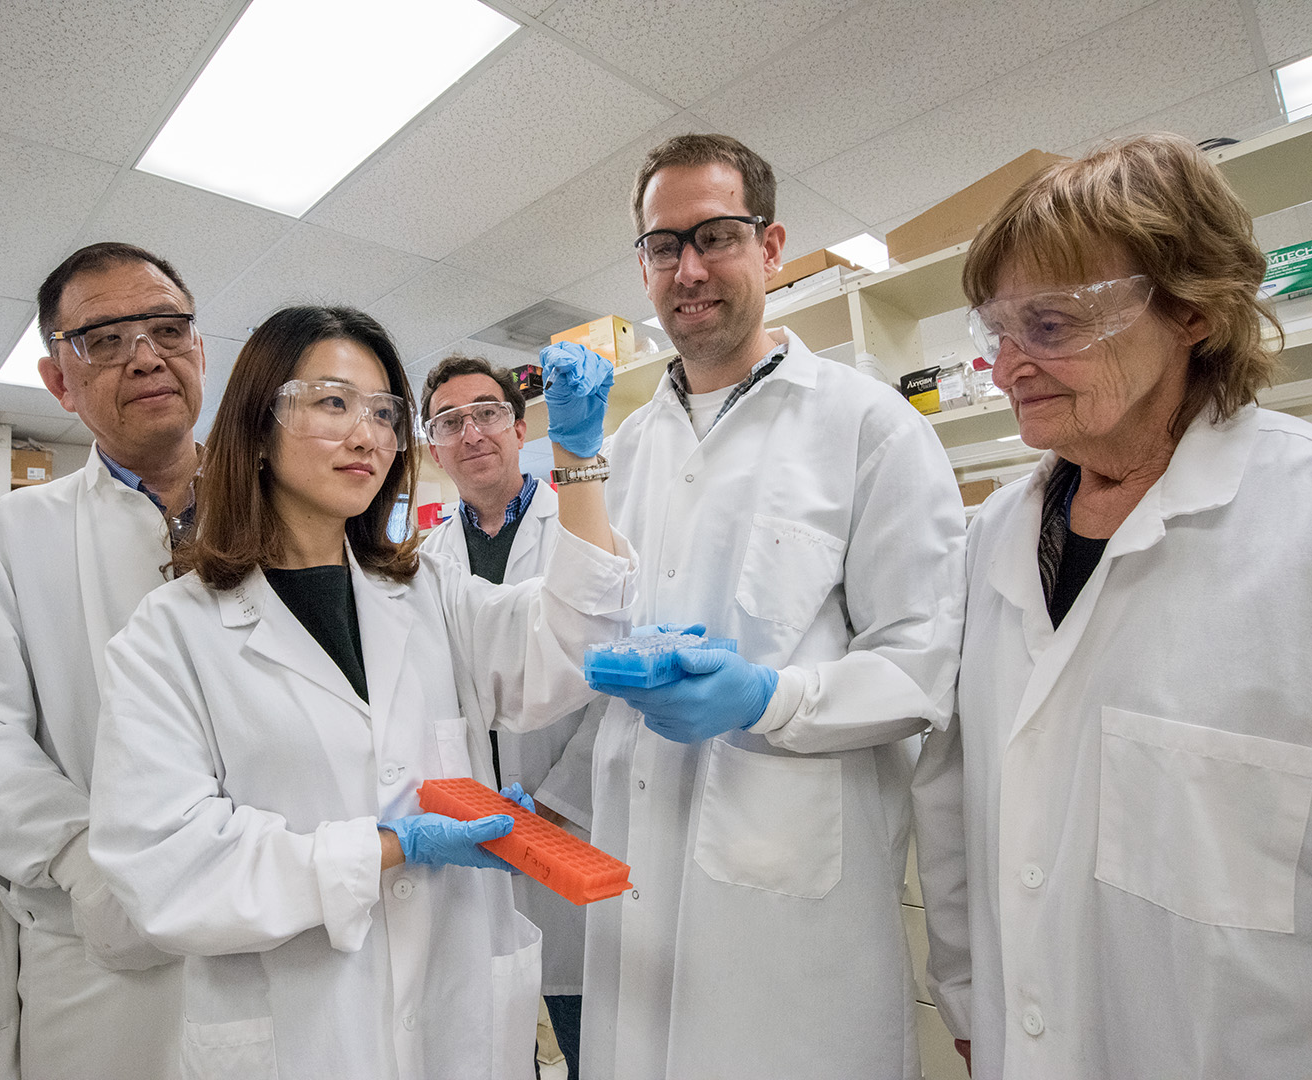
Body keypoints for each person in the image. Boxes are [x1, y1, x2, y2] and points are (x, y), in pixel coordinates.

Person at [86, 305, 636, 1078]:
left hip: (459, 1016)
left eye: (384, 412)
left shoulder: (428, 590)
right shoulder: (169, 634)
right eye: (333, 402)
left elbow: (574, 650)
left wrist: (578, 460)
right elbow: (163, 866)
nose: (369, 434)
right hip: (305, 1032)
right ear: (258, 424)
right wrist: (388, 848)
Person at [912, 133, 1312, 1080]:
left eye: (1050, 326)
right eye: (997, 332)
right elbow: (956, 798)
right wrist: (966, 996)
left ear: (1195, 312)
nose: (1008, 369)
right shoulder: (992, 540)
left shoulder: (1294, 522)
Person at [574, 133, 968, 1078]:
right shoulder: (624, 451)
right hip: (636, 876)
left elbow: (924, 664)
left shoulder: (869, 426)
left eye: (715, 235)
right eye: (663, 247)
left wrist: (768, 698)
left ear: (772, 245)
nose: (690, 268)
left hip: (792, 899)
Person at [0, 242, 204, 1078]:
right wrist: (78, 855)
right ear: (58, 381)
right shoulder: (6, 539)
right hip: (108, 958)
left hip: (293, 920)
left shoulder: (298, 513)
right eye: (104, 339)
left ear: (199, 351)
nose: (146, 355)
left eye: (167, 328)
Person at [418, 354, 598, 1075]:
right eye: (450, 422)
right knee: (491, 1040)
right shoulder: (426, 558)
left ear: (520, 428)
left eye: (487, 413)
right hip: (475, 836)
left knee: (589, 1033)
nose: (472, 433)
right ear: (434, 448)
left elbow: (610, 689)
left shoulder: (576, 533)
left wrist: (556, 804)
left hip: (569, 826)